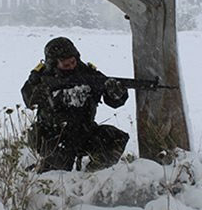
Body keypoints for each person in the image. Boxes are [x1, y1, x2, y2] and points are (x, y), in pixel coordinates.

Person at [21, 37, 130, 172]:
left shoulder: (88, 73)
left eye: (73, 62)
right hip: (53, 135)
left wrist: (117, 94)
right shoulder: (42, 77)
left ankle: (92, 176)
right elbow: (29, 99)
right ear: (53, 64)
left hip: (84, 132)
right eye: (66, 65)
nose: (72, 66)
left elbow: (113, 101)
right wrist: (41, 90)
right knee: (57, 176)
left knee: (115, 139)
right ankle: (44, 171)